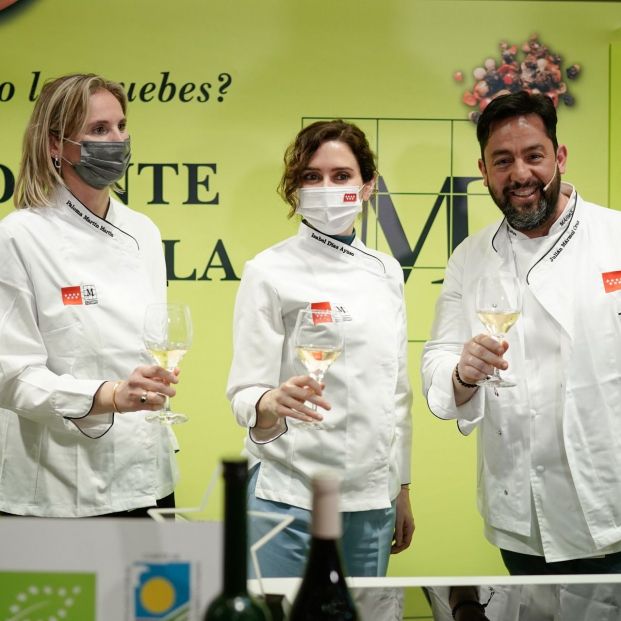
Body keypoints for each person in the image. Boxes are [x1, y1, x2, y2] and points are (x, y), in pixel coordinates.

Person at [422, 91, 621, 573]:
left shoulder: (614, 237)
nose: (520, 175)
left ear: (560, 157)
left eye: (534, 155)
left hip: (610, 499)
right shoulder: (470, 257)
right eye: (502, 161)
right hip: (521, 511)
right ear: (484, 170)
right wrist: (462, 374)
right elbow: (438, 361)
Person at [227, 120, 414, 577]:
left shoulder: (387, 271)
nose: (326, 187)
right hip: (289, 493)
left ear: (367, 186)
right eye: (312, 177)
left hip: (371, 498)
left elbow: (398, 393)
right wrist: (269, 401)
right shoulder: (268, 270)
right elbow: (243, 393)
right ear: (295, 189)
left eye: (341, 176)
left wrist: (402, 485)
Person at [0, 73, 180, 517]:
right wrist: (108, 395)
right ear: (55, 145)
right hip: (57, 487)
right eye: (99, 130)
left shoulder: (143, 232)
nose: (116, 140)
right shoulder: (20, 236)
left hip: (146, 476)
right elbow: (12, 377)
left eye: (120, 126)